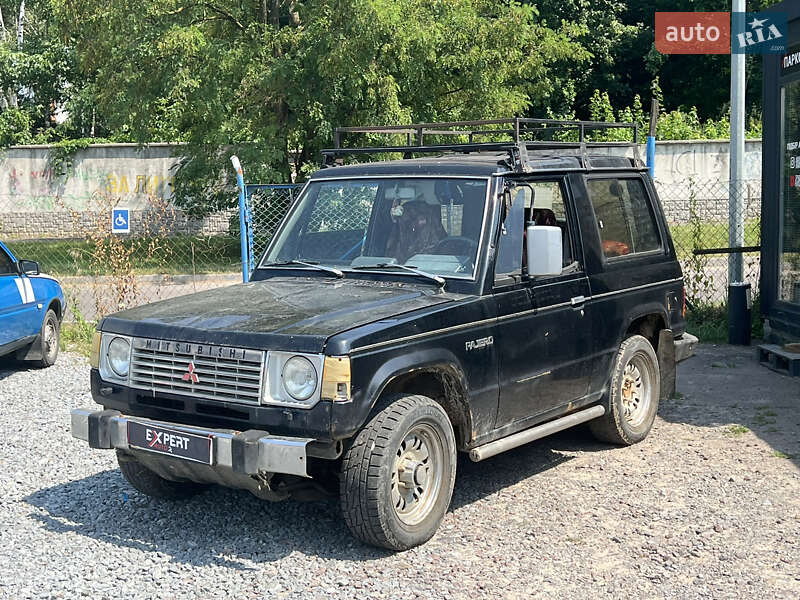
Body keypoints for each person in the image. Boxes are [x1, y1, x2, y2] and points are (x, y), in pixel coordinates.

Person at [386, 197, 446, 263]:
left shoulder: (443, 248)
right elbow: (388, 264)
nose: (414, 223)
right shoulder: (396, 241)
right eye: (409, 221)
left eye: (421, 218)